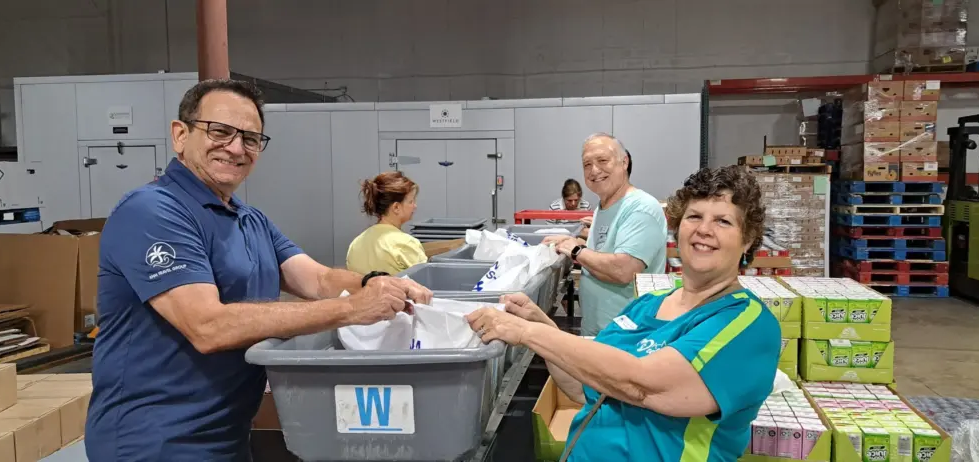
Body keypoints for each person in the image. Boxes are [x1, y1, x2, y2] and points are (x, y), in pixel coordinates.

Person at [85, 79, 433, 462]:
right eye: (220, 131)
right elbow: (207, 326)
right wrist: (352, 309)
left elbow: (318, 279)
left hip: (227, 435)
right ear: (180, 135)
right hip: (154, 442)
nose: (236, 148)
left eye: (250, 139)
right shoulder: (153, 211)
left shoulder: (249, 220)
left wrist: (377, 283)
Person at [466, 165, 781, 461]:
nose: (704, 230)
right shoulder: (648, 304)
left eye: (723, 221)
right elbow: (587, 386)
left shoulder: (748, 325)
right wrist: (543, 326)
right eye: (694, 216)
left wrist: (529, 333)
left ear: (747, 240)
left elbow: (643, 386)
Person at [544, 133, 667, 336]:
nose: (594, 170)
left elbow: (623, 270)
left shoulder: (641, 207)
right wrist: (572, 241)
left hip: (627, 336)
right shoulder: (603, 207)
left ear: (624, 162)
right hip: (600, 330)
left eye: (602, 160)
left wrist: (576, 250)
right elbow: (602, 252)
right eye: (587, 164)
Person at [346, 171, 427, 274]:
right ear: (396, 207)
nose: (415, 206)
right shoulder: (406, 244)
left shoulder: (356, 244)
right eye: (411, 201)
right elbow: (425, 280)